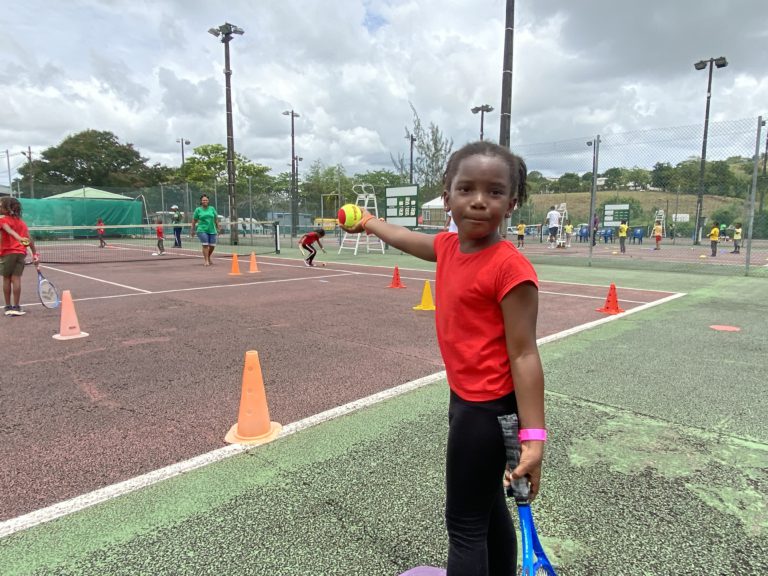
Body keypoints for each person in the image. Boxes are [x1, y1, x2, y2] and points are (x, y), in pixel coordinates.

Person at [339, 141, 546, 574]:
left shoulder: (510, 269)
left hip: (486, 411)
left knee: (465, 525)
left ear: (512, 203)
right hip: (468, 400)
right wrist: (370, 222)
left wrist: (534, 439)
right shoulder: (450, 248)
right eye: (466, 189)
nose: (479, 201)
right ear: (447, 196)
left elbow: (525, 354)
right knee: (488, 508)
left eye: (494, 191)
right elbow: (408, 239)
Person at [1, 197, 39, 316]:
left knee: (6, 279)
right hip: (20, 253)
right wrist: (35, 254)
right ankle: (16, 307)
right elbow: (29, 239)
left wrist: (18, 238)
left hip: (7, 253)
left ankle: (8, 307)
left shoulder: (2, 220)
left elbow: (9, 230)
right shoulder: (22, 223)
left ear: (7, 209)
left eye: (1, 206)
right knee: (16, 279)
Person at [191, 194, 219, 266]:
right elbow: (194, 220)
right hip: (202, 229)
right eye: (203, 200)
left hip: (212, 229)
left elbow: (216, 219)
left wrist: (218, 227)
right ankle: (206, 260)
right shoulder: (198, 210)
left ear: (208, 201)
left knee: (212, 245)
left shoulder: (212, 208)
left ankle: (208, 257)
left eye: (206, 200)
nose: (205, 201)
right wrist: (192, 230)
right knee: (205, 244)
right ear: (201, 201)